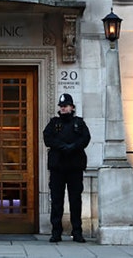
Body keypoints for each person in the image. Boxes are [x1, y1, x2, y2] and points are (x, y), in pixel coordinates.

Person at [42, 93, 91, 243]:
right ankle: (56, 232)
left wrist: (73, 147)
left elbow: (86, 138)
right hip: (58, 168)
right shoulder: (53, 123)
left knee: (75, 200)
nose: (63, 108)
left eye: (65, 106)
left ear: (72, 107)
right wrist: (63, 147)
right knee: (57, 200)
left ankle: (77, 232)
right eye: (61, 106)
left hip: (74, 167)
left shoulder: (79, 123)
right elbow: (47, 138)